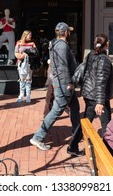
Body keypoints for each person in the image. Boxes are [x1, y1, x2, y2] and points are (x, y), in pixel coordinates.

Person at [30, 22, 80, 151]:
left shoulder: (55, 44)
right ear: (65, 32)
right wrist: (69, 82)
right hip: (64, 83)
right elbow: (62, 67)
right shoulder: (61, 46)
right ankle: (38, 137)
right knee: (57, 110)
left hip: (62, 82)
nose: (70, 33)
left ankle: (77, 133)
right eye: (68, 31)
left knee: (75, 107)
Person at [67, 33, 113, 156]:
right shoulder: (103, 60)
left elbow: (84, 71)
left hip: (89, 94)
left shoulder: (91, 55)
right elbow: (100, 82)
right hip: (98, 97)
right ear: (107, 44)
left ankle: (72, 146)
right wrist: (100, 102)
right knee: (107, 125)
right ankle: (109, 153)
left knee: (86, 122)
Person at [14, 30, 37, 103]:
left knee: (28, 79)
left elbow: (36, 53)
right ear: (25, 35)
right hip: (21, 64)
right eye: (29, 35)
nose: (30, 36)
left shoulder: (32, 43)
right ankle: (21, 95)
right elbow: (16, 53)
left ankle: (27, 95)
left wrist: (29, 55)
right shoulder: (19, 43)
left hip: (29, 63)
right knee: (22, 79)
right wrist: (22, 56)